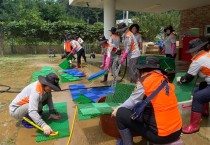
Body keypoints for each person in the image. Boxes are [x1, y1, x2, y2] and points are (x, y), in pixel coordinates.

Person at [112, 56, 182, 145]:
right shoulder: (164, 79)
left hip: (162, 136)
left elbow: (132, 101)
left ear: (143, 69)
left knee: (121, 113)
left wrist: (118, 108)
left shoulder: (145, 80)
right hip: (177, 131)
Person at [176, 38, 210, 134]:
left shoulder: (197, 60)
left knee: (198, 97)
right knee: (203, 85)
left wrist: (181, 80)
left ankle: (194, 125)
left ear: (195, 51)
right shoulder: (208, 54)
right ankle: (204, 110)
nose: (190, 53)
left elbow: (188, 78)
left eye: (191, 51)